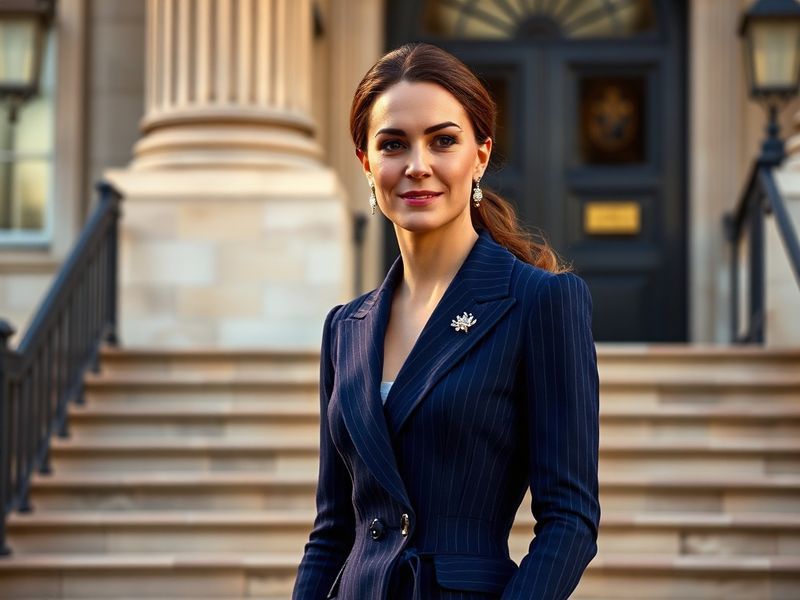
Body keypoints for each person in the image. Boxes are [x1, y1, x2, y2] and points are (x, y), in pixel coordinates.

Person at [292, 42, 600, 600]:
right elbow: (332, 530)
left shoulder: (540, 302)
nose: (417, 165)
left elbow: (570, 521)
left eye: (443, 140)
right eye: (393, 144)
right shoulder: (345, 327)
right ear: (366, 162)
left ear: (479, 156)